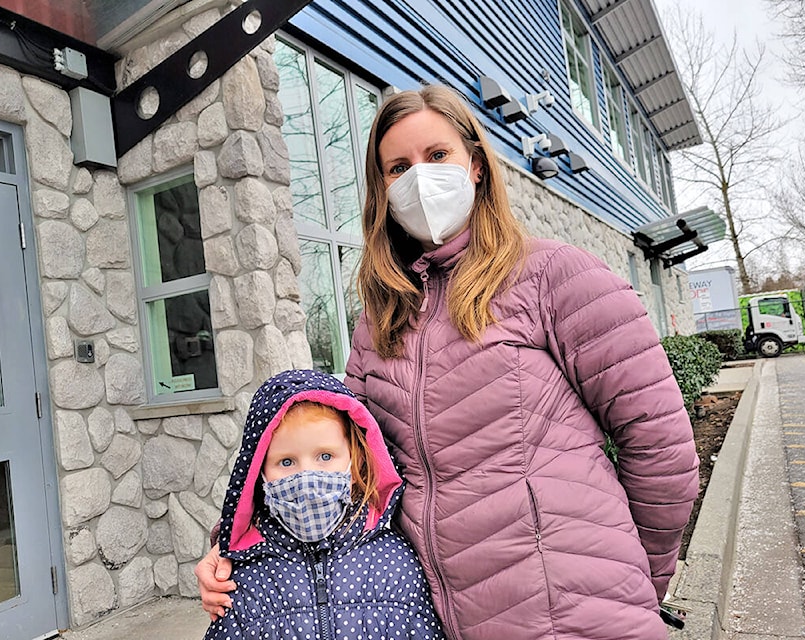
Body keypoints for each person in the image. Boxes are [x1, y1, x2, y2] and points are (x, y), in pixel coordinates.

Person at [198, 85, 699, 640]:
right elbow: (342, 464)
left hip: (577, 612)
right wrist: (233, 545)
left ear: (476, 165)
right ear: (382, 190)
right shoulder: (379, 321)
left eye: (437, 156)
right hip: (453, 619)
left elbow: (660, 447)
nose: (419, 177)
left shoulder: (555, 275)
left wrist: (642, 580)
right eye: (397, 168)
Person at [202, 368, 445, 640]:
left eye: (325, 456)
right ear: (258, 474)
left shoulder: (396, 562)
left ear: (356, 461)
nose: (306, 478)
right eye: (286, 462)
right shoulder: (243, 577)